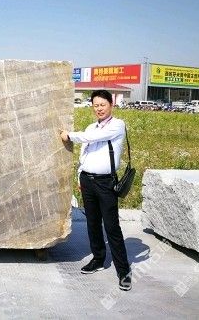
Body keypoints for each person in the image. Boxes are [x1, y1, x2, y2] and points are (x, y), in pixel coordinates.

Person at [60, 89, 132, 291]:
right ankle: (98, 259)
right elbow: (84, 153)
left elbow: (92, 138)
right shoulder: (91, 127)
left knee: (112, 227)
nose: (99, 108)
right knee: (92, 224)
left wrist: (69, 135)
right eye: (96, 105)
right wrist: (80, 176)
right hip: (88, 181)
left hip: (106, 183)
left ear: (111, 105)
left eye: (103, 104)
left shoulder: (117, 125)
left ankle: (124, 272)